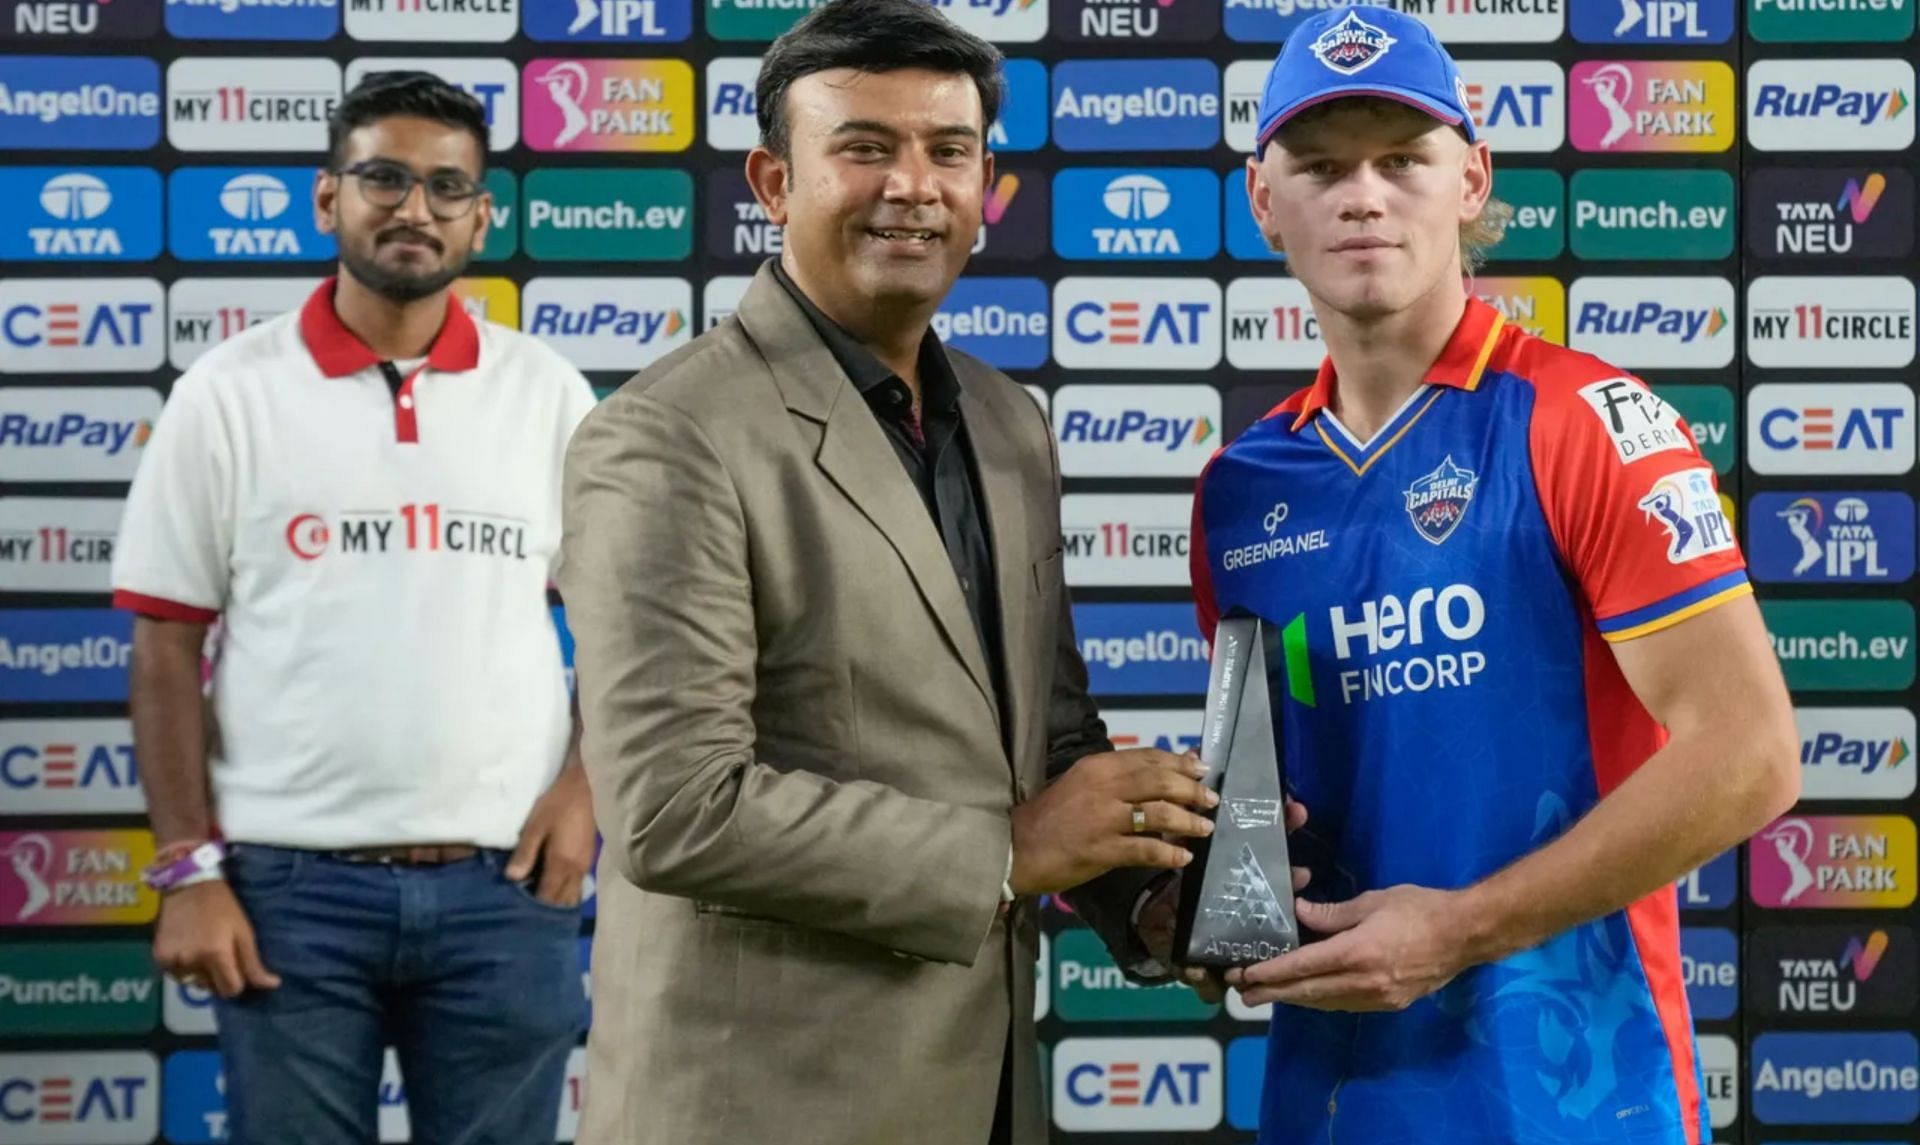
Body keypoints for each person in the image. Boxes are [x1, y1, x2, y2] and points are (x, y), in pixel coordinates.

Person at [555, 2, 1217, 1142]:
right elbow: (674, 805)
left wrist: (1150, 896)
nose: (913, 184)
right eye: (864, 147)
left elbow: (1045, 742)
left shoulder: (1010, 423)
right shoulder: (668, 432)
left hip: (989, 1089)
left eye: (948, 151)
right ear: (772, 181)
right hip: (764, 1103)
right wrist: (1009, 851)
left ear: (985, 185)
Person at [1169, 8, 1801, 1143]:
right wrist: (1209, 887)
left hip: (1574, 1096)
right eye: (1319, 166)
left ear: (1472, 178)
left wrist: (1456, 927)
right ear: (1263, 203)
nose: (1363, 195)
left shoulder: (1584, 419)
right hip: (1329, 1096)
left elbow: (1750, 754)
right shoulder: (1239, 489)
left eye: (1402, 159)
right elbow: (1269, 811)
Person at [113, 71, 598, 1143]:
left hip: (506, 887)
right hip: (287, 887)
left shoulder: (548, 392)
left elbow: (630, 628)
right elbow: (163, 647)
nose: (414, 208)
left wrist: (584, 786)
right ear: (329, 197)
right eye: (384, 176)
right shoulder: (229, 393)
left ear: (482, 213)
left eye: (445, 185)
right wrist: (187, 868)